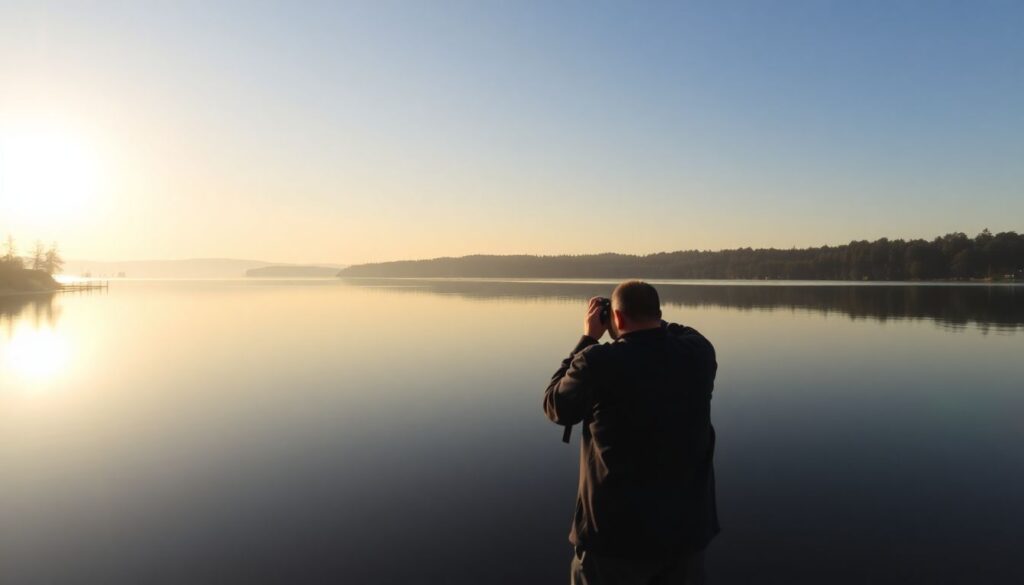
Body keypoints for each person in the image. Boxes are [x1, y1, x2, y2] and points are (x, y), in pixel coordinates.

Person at [543, 280, 719, 585]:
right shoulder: (699, 353)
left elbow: (555, 405)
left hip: (613, 539)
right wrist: (641, 317)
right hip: (685, 534)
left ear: (616, 317)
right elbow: (674, 330)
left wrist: (588, 337)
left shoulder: (597, 362)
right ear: (658, 313)